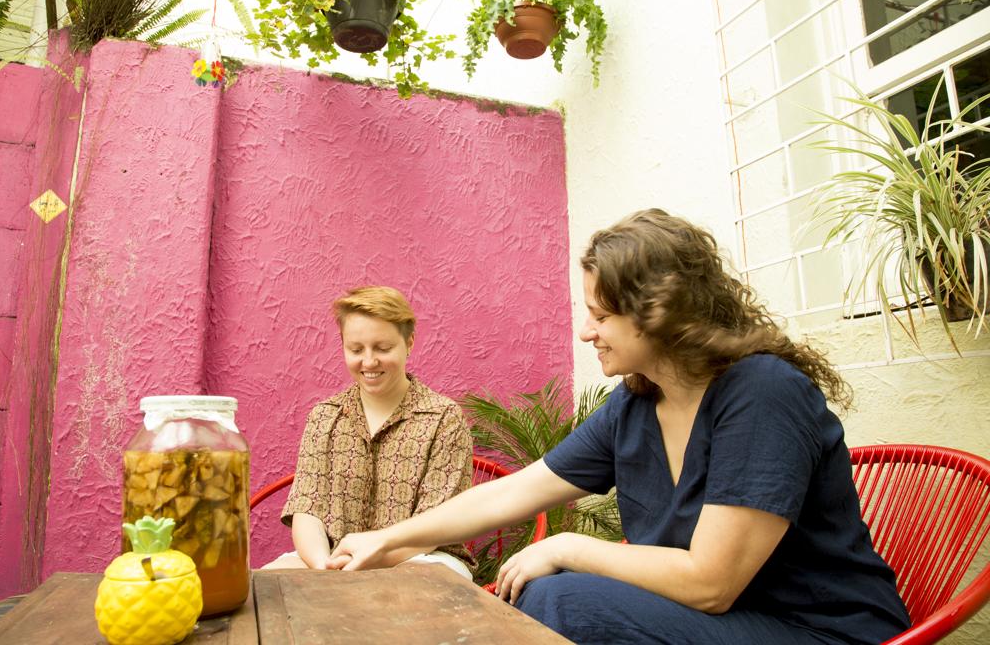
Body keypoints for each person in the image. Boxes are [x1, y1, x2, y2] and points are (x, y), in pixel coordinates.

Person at [327, 210, 911, 644]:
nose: (586, 332)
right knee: (549, 594)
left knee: (562, 598)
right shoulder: (635, 404)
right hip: (724, 625)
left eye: (601, 315)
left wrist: (570, 545)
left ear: (662, 314)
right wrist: (389, 539)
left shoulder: (761, 392)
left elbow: (711, 582)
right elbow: (514, 491)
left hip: (821, 632)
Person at [262, 285, 473, 579]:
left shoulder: (443, 419)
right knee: (266, 587)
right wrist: (324, 565)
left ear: (409, 342)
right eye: (356, 349)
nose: (369, 361)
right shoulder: (325, 416)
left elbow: (436, 524)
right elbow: (306, 508)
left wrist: (364, 562)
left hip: (422, 559)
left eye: (383, 348)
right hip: (333, 560)